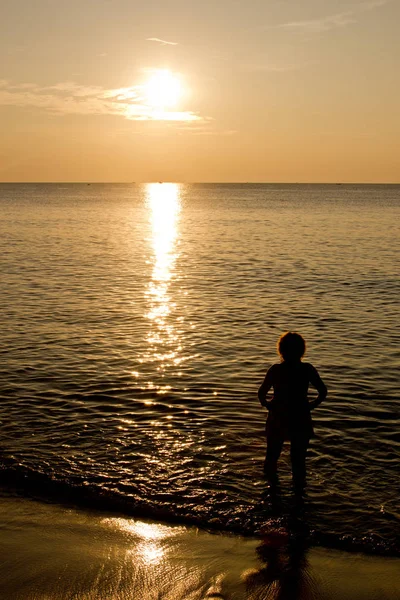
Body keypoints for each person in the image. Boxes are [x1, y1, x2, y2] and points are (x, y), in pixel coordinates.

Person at [258, 332, 327, 487]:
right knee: (299, 462)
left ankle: (271, 494)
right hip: (300, 416)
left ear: (281, 351)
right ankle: (299, 498)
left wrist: (269, 406)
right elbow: (323, 391)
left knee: (271, 458)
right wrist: (311, 406)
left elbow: (261, 394)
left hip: (278, 417)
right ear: (302, 351)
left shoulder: (275, 370)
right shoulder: (307, 369)